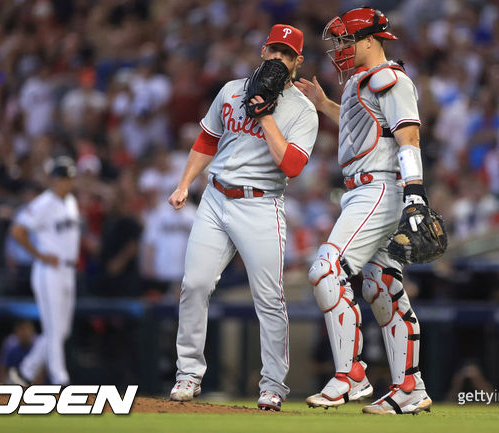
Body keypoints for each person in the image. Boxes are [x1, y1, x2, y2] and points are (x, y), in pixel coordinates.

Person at [167, 24, 318, 411]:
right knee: (195, 284)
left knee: (269, 299)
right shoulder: (232, 90)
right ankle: (188, 373)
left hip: (261, 204)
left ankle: (272, 384)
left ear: (298, 62)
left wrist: (266, 116)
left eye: (288, 54)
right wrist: (185, 184)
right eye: (275, 51)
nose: (279, 59)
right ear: (263, 51)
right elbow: (206, 140)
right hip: (216, 199)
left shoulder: (302, 110)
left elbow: (293, 166)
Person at [295, 7, 432, 414]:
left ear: (370, 40)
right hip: (364, 189)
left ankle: (350, 375)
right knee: (381, 286)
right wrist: (323, 104)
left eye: (345, 40)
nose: (339, 49)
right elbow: (368, 126)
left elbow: (408, 135)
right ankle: (410, 387)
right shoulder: (364, 81)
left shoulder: (390, 77)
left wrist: (416, 194)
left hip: (379, 188)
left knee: (326, 269)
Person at [8, 156, 80, 386]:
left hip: (68, 270)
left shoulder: (71, 202)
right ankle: (60, 380)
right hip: (49, 271)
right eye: (62, 177)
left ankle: (25, 372)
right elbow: (17, 231)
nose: (66, 182)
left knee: (62, 330)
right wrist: (38, 255)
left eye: (69, 178)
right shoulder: (43, 203)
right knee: (53, 328)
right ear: (53, 179)